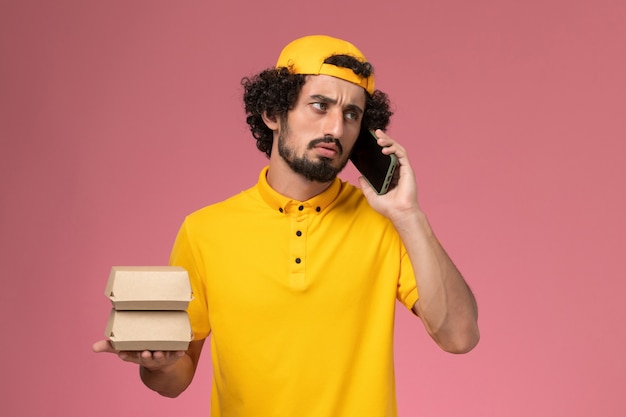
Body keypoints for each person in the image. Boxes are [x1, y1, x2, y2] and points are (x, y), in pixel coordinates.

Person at [93, 34, 479, 416]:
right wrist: (157, 363)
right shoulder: (204, 230)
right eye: (319, 105)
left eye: (351, 114)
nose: (335, 128)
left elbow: (460, 337)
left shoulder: (386, 222)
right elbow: (175, 380)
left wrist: (409, 215)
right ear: (273, 113)